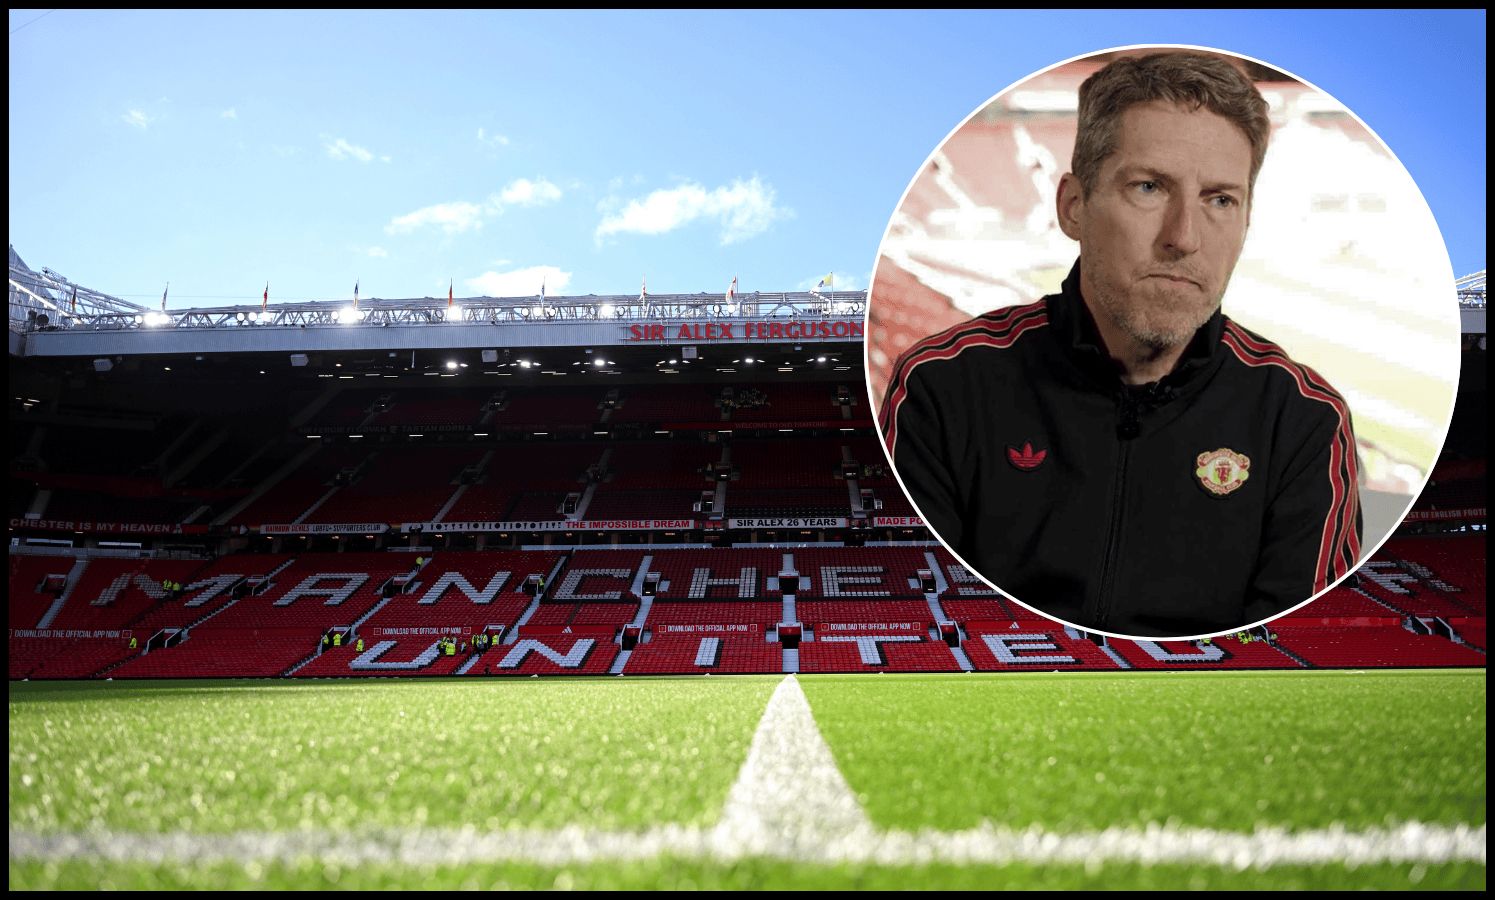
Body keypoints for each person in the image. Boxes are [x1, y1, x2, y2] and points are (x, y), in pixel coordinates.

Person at [880, 51, 1361, 638]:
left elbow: (1302, 664)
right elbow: (917, 629)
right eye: (1149, 187)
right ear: (1073, 207)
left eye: (1220, 200)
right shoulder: (943, 387)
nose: (1184, 238)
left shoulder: (1302, 419)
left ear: (1245, 222)